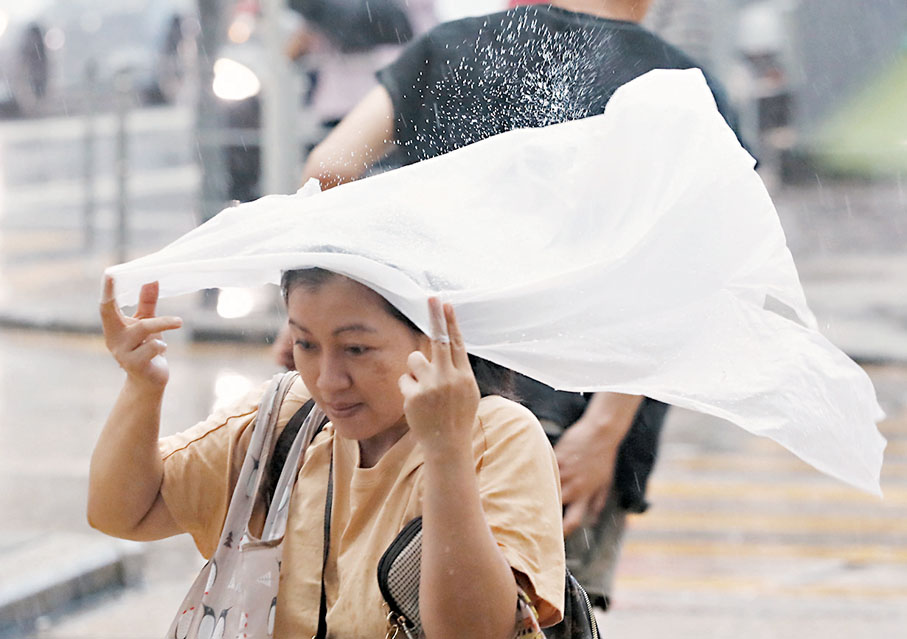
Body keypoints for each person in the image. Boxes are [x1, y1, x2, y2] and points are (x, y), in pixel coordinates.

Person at [292, 0, 748, 609]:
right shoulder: (676, 85)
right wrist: (606, 428)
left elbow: (328, 171)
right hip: (567, 419)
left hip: (417, 395)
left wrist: (328, 323)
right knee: (531, 611)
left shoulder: (450, 47)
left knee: (393, 604)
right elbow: (678, 268)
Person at [89, 271, 565, 637]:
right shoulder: (288, 416)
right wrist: (142, 387)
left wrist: (446, 453)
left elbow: (473, 633)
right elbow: (125, 513)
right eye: (306, 344)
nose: (328, 379)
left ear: (435, 336)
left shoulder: (495, 435)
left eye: (357, 348)